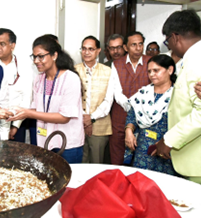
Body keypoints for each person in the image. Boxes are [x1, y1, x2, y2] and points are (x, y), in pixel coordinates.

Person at [152, 10, 201, 187]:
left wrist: (168, 140)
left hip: (200, 162)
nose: (170, 47)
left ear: (175, 37)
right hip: (194, 156)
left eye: (167, 42)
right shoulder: (195, 58)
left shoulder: (200, 61)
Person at [8, 35, 84, 164]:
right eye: (34, 57)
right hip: (45, 141)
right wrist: (15, 112)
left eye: (41, 56)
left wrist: (28, 113)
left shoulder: (70, 78)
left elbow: (64, 117)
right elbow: (35, 108)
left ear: (54, 55)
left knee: (70, 181)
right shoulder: (39, 79)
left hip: (67, 144)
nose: (36, 61)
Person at [125, 55, 177, 175]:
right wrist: (129, 131)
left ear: (170, 70)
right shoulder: (143, 93)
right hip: (143, 149)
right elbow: (132, 114)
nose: (152, 74)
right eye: (149, 71)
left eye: (156, 70)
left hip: (167, 148)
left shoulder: (177, 95)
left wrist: (166, 143)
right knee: (140, 183)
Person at [110, 32, 151, 165]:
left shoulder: (150, 62)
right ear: (126, 48)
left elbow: (153, 87)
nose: (138, 48)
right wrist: (130, 105)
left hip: (144, 116)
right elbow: (116, 91)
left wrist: (137, 106)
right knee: (117, 154)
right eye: (134, 45)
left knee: (141, 155)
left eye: (140, 44)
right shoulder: (117, 64)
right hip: (120, 114)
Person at [75, 36, 113, 164]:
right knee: (80, 162)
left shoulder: (108, 71)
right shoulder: (73, 70)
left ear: (98, 51)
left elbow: (108, 100)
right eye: (84, 49)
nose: (86, 52)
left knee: (97, 163)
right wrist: (83, 118)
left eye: (91, 49)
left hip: (100, 125)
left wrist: (91, 118)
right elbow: (72, 99)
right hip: (77, 124)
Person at [0, 28, 35, 144]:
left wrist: (15, 126)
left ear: (12, 46)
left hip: (17, 122)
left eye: (2, 44)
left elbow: (27, 97)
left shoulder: (24, 66)